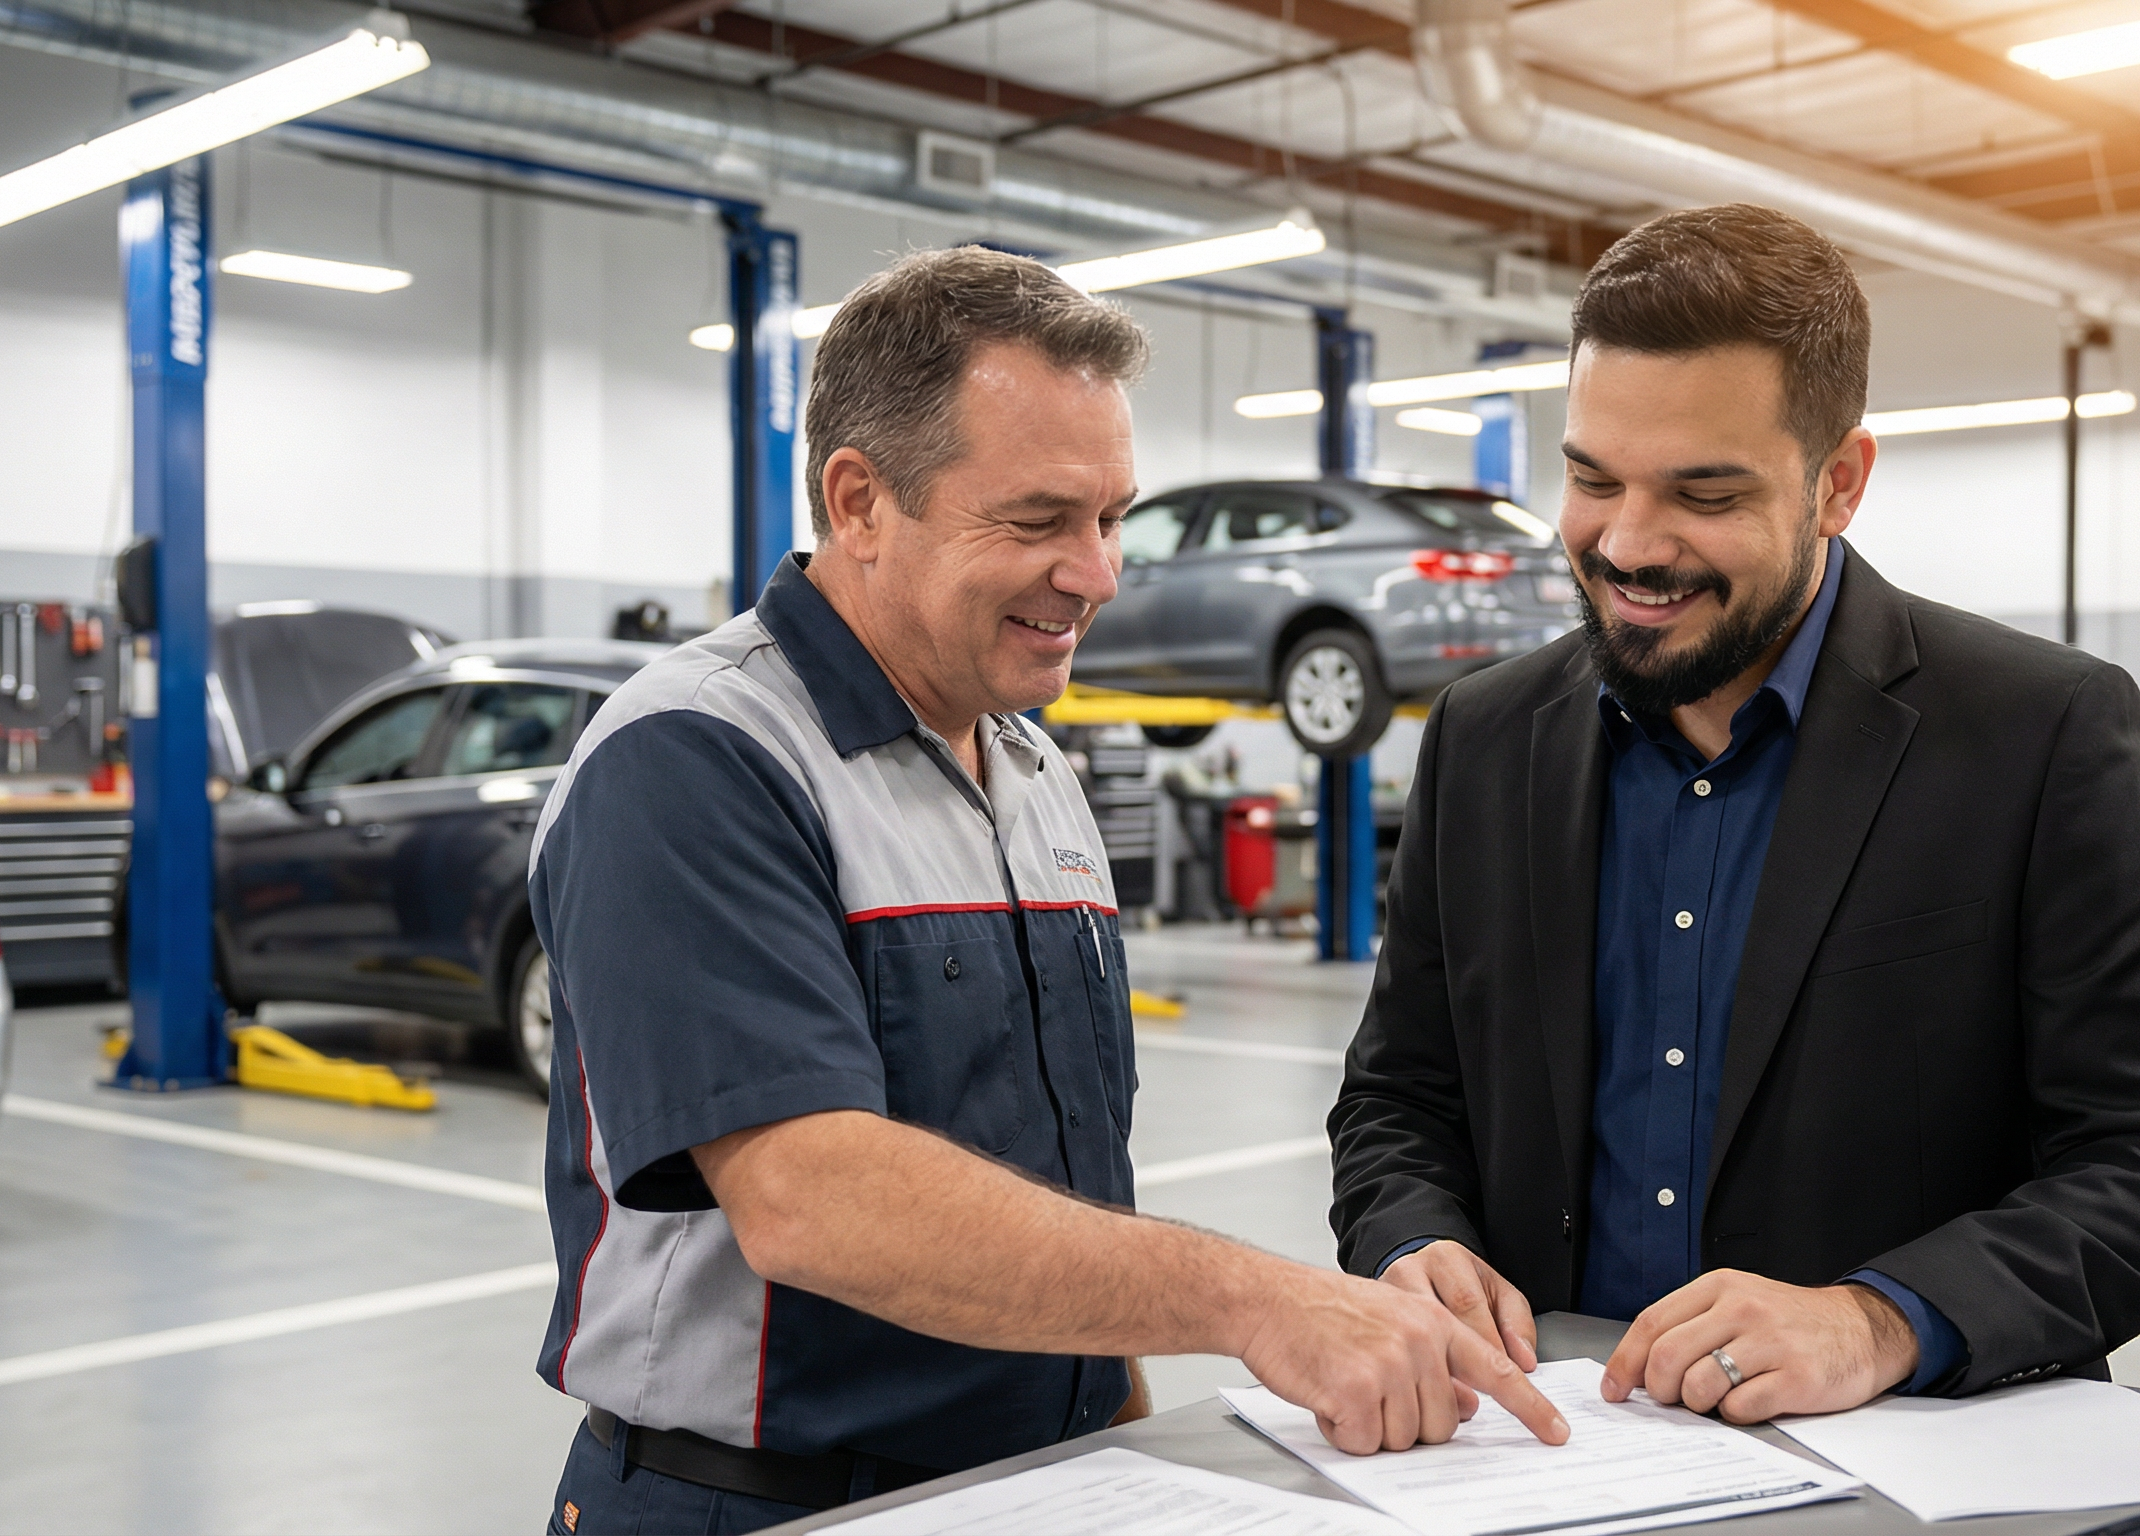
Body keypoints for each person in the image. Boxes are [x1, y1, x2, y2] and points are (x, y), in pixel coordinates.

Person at [530, 247, 1564, 1536]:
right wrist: (1254, 1301)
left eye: (1111, 516)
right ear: (859, 502)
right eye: (1036, 521)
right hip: (762, 1504)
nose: (1098, 572)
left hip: (1048, 1483)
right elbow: (813, 1198)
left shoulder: (1029, 764)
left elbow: (1068, 1176)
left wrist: (1130, 1431)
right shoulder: (697, 757)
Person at [1329, 205, 2140, 1426]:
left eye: (1702, 494)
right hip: (1547, 1455)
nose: (1628, 543)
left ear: (1838, 483)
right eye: (1591, 477)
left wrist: (1880, 1318)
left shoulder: (2041, 734)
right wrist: (1411, 1244)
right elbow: (1399, 1098)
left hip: (1903, 1459)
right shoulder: (1484, 737)